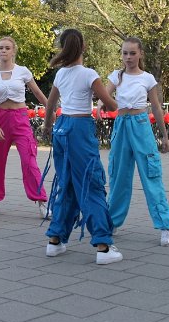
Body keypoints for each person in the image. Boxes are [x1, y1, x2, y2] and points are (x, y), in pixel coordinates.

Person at [42, 29, 122, 264]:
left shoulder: (60, 74)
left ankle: (55, 240)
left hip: (62, 127)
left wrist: (47, 126)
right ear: (83, 47)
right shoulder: (89, 74)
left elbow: (50, 104)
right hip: (80, 128)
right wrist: (121, 99)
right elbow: (110, 105)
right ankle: (103, 246)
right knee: (90, 182)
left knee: (66, 183)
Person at [104, 37, 169, 246]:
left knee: (151, 175)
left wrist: (164, 136)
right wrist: (101, 104)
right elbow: (105, 96)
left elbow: (156, 108)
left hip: (141, 125)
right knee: (118, 175)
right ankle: (112, 221)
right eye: (125, 53)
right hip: (121, 126)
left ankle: (165, 226)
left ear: (140, 54)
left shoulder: (147, 78)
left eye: (132, 53)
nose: (128, 57)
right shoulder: (116, 76)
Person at [0, 36, 49, 217]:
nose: (3, 50)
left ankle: (42, 201)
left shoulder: (23, 71)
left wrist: (50, 108)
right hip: (0, 118)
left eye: (7, 48)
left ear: (13, 51)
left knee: (29, 160)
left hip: (20, 118)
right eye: (1, 48)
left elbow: (37, 92)